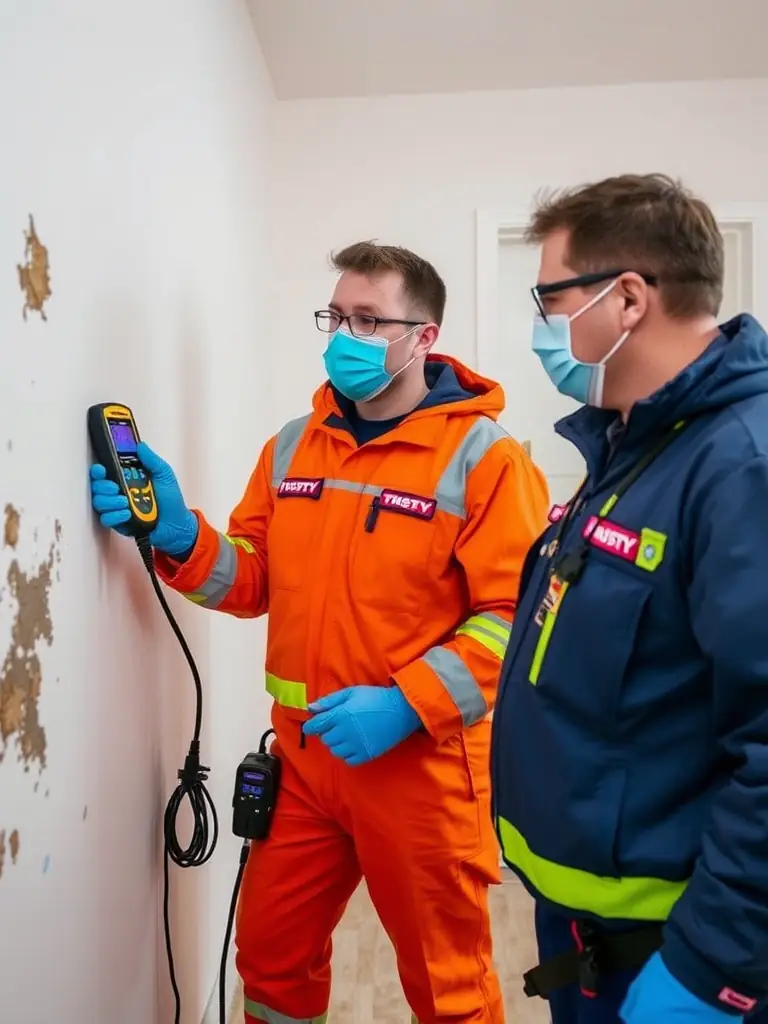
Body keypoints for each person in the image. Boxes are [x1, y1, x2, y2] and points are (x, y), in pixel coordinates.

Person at [90, 240, 549, 1024]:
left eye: (369, 319)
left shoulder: (487, 460)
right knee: (269, 960)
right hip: (303, 762)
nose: (345, 334)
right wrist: (176, 534)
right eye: (336, 316)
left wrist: (408, 704)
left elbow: (517, 620)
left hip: (421, 768)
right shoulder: (294, 444)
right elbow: (253, 576)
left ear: (424, 336)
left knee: (448, 986)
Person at [490, 172, 768, 1024]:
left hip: (674, 947)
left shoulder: (741, 464)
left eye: (549, 297)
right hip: (590, 928)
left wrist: (710, 970)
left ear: (629, 298)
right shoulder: (634, 447)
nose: (541, 325)